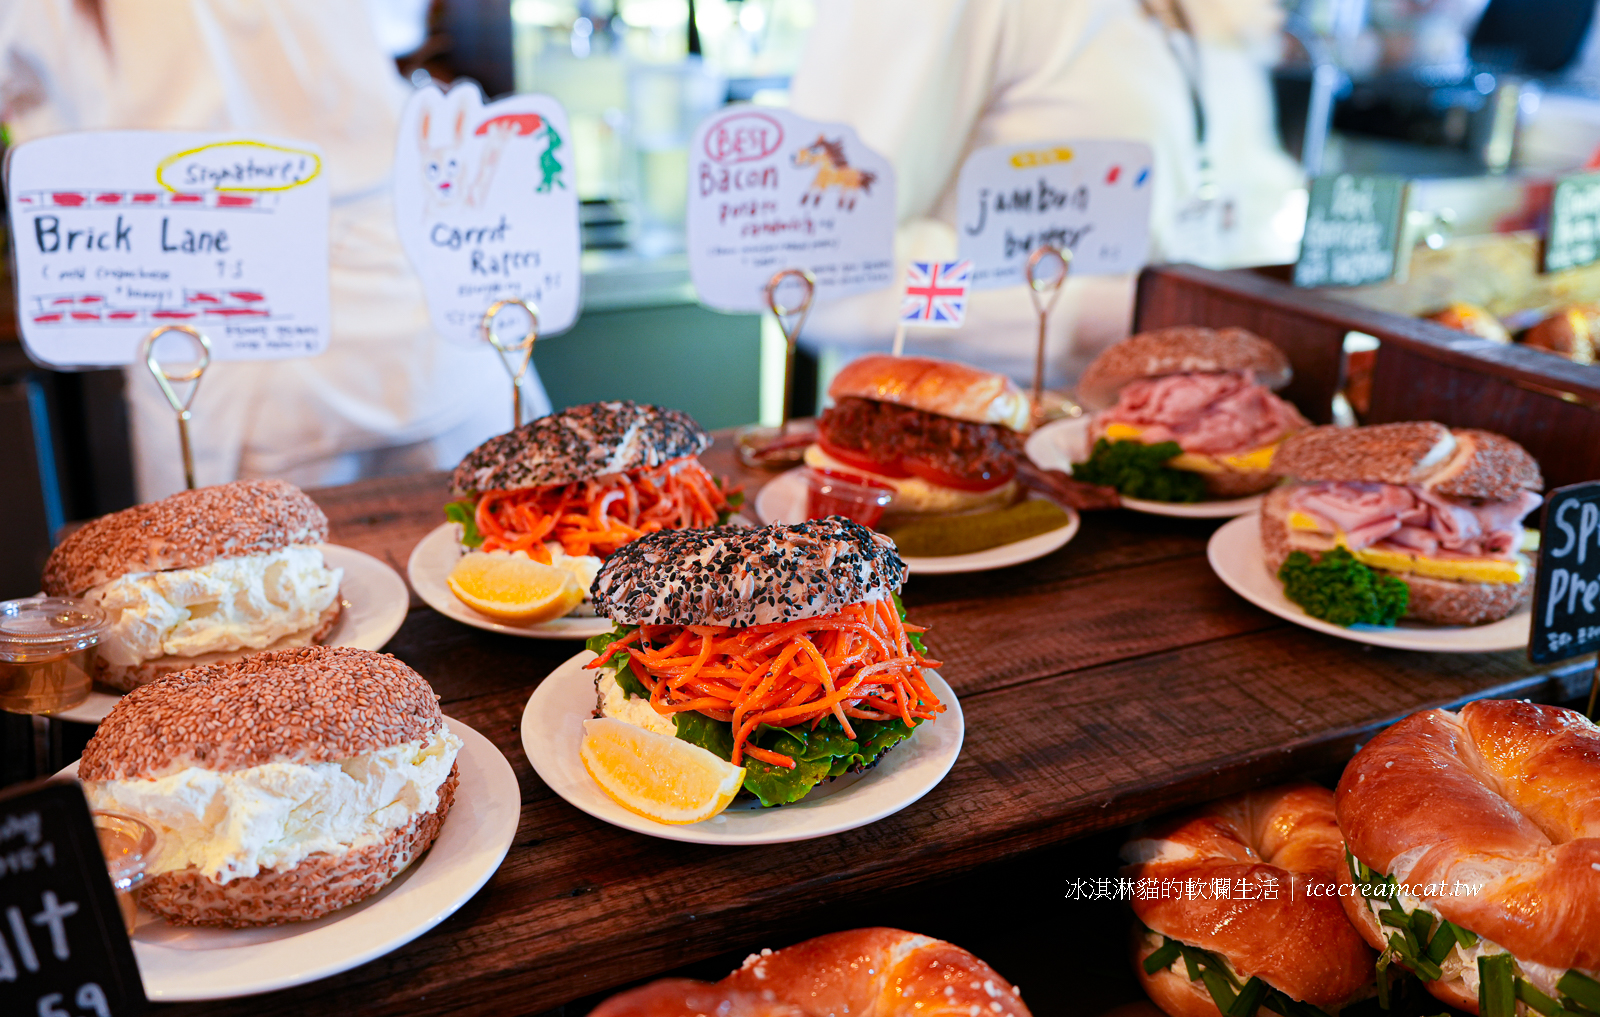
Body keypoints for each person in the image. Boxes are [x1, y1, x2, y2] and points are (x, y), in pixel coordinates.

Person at [0, 0, 549, 500]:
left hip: (224, 339)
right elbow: (402, 25)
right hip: (400, 309)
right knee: (500, 560)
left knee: (235, 595)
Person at [788, 0, 1305, 393]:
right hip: (960, 456)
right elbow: (823, 273)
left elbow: (1249, 201)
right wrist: (1091, 314)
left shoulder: (1211, 15)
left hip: (1190, 445)